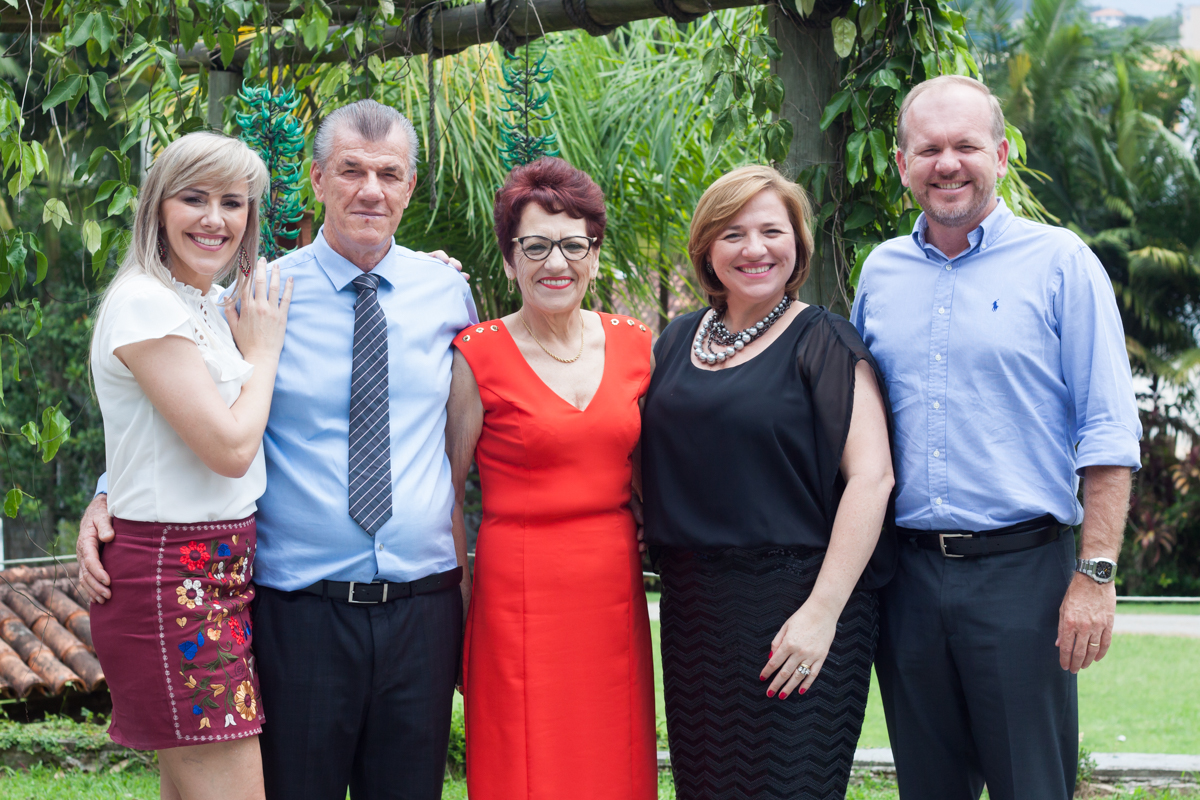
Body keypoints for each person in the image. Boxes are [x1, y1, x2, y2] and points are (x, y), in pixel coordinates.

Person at [77, 100, 475, 800]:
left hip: (423, 607)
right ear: (318, 179)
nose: (370, 190)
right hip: (299, 608)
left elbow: (465, 435)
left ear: (410, 187)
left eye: (389, 173)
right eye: (351, 170)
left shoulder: (448, 294)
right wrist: (107, 493)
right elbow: (187, 406)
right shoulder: (254, 297)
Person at [850, 75, 1142, 800]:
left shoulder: (1062, 263)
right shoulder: (879, 273)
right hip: (907, 580)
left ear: (1002, 154)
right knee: (928, 788)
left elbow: (1108, 429)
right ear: (901, 164)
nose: (947, 163)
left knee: (1031, 787)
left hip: (1024, 578)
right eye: (929, 149)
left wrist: (1096, 576)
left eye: (966, 146)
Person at [640, 165, 896, 799]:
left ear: (798, 244)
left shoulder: (825, 341)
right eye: (732, 234)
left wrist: (823, 612)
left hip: (800, 607)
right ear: (705, 248)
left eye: (770, 231)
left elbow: (873, 477)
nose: (754, 249)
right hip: (696, 612)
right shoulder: (674, 342)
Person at [445, 156, 657, 800]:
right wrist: (459, 607)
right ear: (510, 259)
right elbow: (446, 494)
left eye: (572, 244)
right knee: (524, 763)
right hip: (518, 594)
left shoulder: (637, 345)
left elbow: (657, 475)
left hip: (612, 592)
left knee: (612, 757)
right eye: (535, 246)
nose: (555, 263)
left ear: (594, 254)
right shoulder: (476, 354)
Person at [88, 131, 290, 800]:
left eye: (233, 202)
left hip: (209, 570)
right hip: (175, 578)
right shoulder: (147, 303)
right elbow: (229, 449)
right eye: (194, 198)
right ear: (157, 208)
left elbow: (147, 435)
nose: (214, 219)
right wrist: (262, 352)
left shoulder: (195, 300)